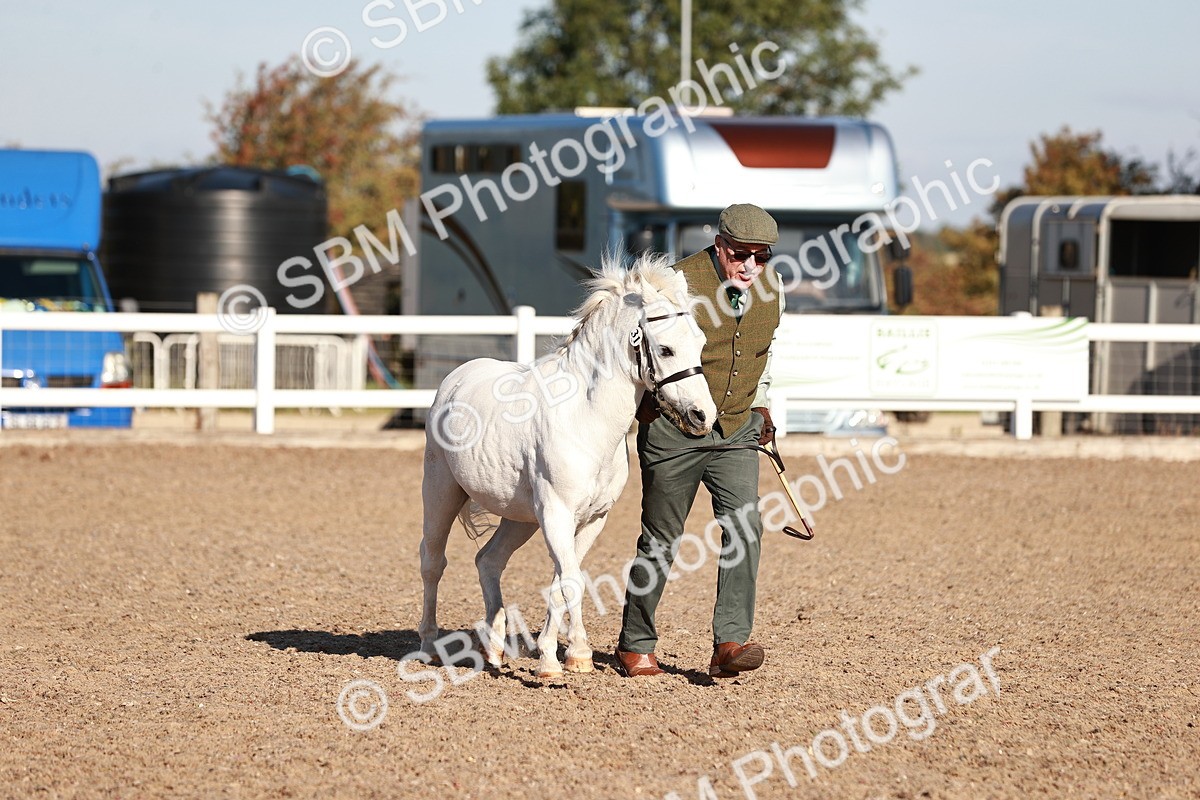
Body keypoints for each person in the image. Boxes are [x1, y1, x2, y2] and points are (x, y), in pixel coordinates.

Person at [615, 203, 783, 679]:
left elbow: (763, 352)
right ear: (719, 244)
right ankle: (635, 643)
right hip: (675, 433)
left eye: (761, 256)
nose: (750, 266)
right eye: (740, 254)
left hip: (735, 429)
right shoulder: (676, 282)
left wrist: (763, 404)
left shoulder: (772, 290)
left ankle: (730, 642)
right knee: (662, 540)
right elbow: (643, 341)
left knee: (746, 529)